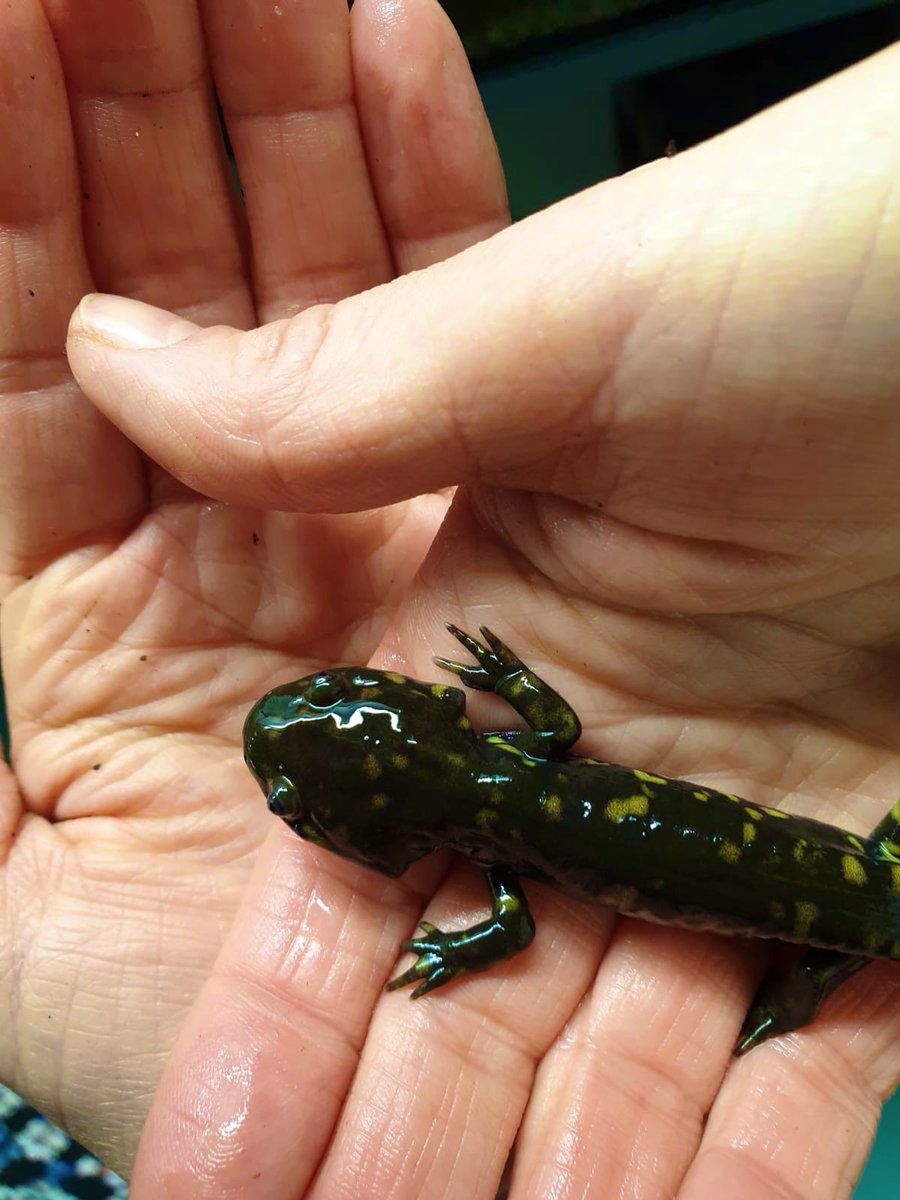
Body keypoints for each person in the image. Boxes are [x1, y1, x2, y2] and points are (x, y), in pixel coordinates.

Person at [1, 0, 898, 1194]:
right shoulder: (520, 772)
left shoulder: (508, 831)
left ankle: (805, 985)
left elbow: (516, 917)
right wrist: (507, 680)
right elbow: (553, 738)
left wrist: (465, 940)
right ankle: (808, 978)